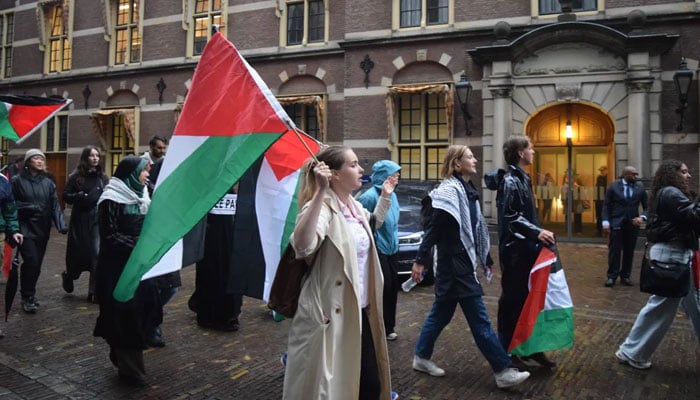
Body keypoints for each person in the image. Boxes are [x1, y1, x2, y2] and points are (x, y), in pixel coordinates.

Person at [411, 144, 530, 389]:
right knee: (479, 320)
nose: (475, 160)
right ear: (457, 163)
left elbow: (474, 228)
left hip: (460, 263)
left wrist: (484, 257)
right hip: (454, 266)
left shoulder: (468, 190)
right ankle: (503, 370)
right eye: (470, 157)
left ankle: (421, 357)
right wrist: (421, 260)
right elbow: (433, 230)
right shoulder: (448, 192)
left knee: (441, 314)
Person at [283, 146, 396, 400]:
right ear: (334, 174)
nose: (361, 169)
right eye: (354, 164)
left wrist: (386, 196)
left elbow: (372, 224)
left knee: (368, 384)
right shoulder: (322, 207)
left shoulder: (354, 207)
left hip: (360, 312)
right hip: (331, 316)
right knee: (333, 388)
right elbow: (302, 245)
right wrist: (321, 192)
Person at [615, 159, 700, 369]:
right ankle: (631, 352)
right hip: (673, 258)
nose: (688, 176)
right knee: (660, 308)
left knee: (695, 305)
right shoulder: (671, 193)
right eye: (684, 172)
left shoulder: (667, 192)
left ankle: (631, 351)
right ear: (672, 174)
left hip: (678, 256)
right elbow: (693, 217)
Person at [485, 135, 557, 369]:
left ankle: (530, 347)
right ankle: (508, 350)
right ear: (520, 153)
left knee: (530, 301)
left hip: (526, 249)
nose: (533, 152)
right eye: (530, 149)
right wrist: (537, 232)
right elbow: (510, 217)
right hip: (515, 252)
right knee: (513, 302)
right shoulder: (510, 182)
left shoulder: (522, 179)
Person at [93, 156, 161, 387]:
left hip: (139, 267)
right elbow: (109, 236)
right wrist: (138, 246)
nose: (147, 175)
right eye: (144, 172)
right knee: (125, 315)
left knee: (145, 309)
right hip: (117, 270)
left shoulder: (144, 195)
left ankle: (121, 353)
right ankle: (131, 370)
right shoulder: (110, 199)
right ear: (131, 174)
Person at [11, 149, 67, 313]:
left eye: (42, 158)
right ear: (28, 162)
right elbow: (10, 205)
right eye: (36, 158)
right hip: (25, 228)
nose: (40, 161)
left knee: (37, 265)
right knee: (31, 261)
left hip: (42, 229)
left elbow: (55, 205)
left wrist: (60, 224)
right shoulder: (17, 181)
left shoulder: (48, 183)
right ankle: (27, 296)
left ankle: (29, 293)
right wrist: (30, 207)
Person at [188, 185, 243, 332]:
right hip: (211, 238)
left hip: (228, 237)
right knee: (213, 274)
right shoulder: (211, 186)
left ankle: (227, 313)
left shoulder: (231, 187)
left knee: (227, 273)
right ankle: (213, 314)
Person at [358, 160, 401, 341]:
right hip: (378, 249)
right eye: (395, 174)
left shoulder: (394, 195)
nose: (398, 177)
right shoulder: (368, 197)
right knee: (383, 288)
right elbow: (366, 225)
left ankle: (389, 326)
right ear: (385, 176)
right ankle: (378, 326)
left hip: (392, 249)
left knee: (393, 288)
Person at [62, 145, 109, 303]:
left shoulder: (102, 177)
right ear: (85, 158)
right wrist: (78, 196)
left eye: (97, 155)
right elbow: (65, 196)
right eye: (91, 155)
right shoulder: (75, 176)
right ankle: (69, 276)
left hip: (96, 219)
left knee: (96, 253)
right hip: (80, 220)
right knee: (77, 254)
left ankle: (93, 291)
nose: (95, 158)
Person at [602, 166, 648, 287]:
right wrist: (605, 221)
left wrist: (642, 218)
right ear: (625, 175)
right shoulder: (613, 187)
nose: (636, 177)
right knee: (614, 251)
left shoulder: (640, 189)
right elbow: (606, 205)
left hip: (632, 224)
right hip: (616, 223)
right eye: (633, 174)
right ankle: (612, 276)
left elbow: (648, 207)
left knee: (629, 251)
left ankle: (626, 276)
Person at [595, 166, 608, 236]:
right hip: (598, 199)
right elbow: (597, 188)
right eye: (601, 171)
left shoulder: (608, 178)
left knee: (604, 215)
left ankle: (605, 230)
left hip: (604, 199)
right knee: (598, 215)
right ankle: (599, 230)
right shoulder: (599, 178)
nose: (601, 172)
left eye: (603, 171)